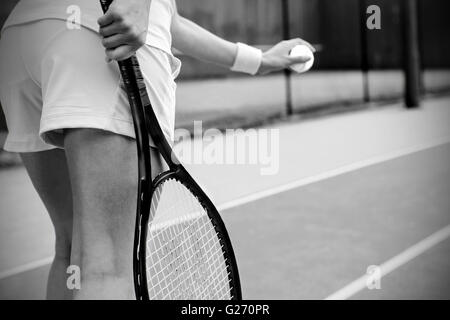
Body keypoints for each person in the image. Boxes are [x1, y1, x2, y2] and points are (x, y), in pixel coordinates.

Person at [0, 0, 314, 299]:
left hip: (26, 35)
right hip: (98, 39)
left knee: (72, 252)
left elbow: (172, 20)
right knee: (106, 266)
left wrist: (259, 60)